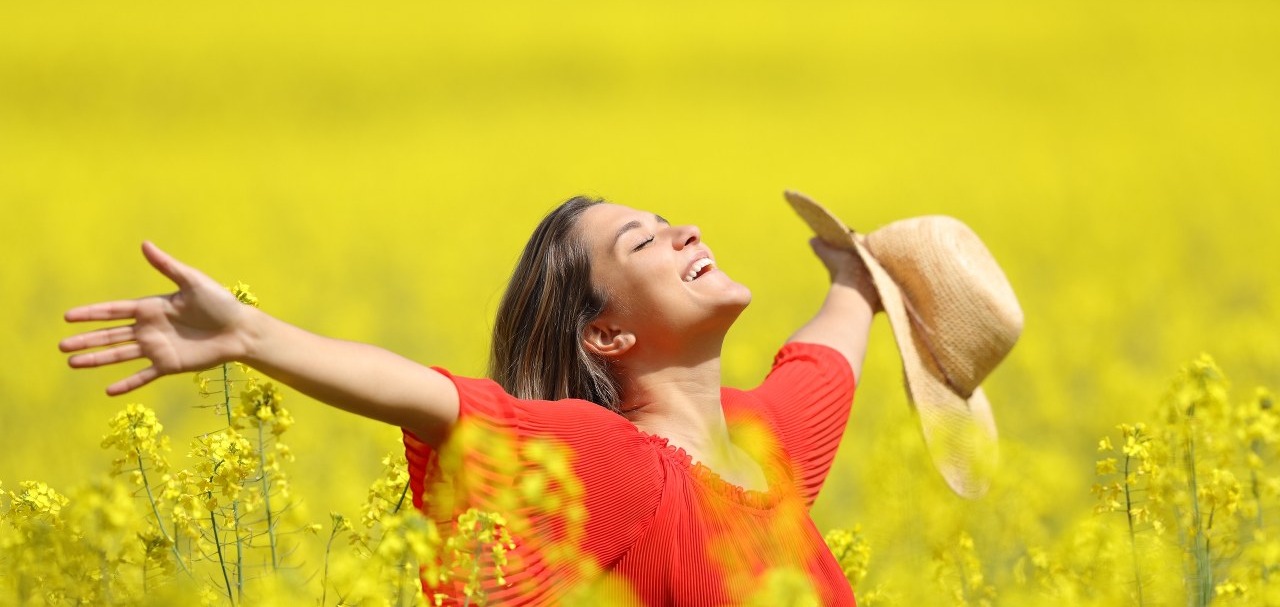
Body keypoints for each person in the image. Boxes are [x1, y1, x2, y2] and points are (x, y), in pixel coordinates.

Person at [60, 195, 881, 606]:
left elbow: (824, 357)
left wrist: (857, 278)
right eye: (644, 241)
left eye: (668, 222)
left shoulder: (764, 442)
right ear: (606, 334)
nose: (685, 232)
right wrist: (250, 334)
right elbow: (435, 400)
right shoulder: (616, 464)